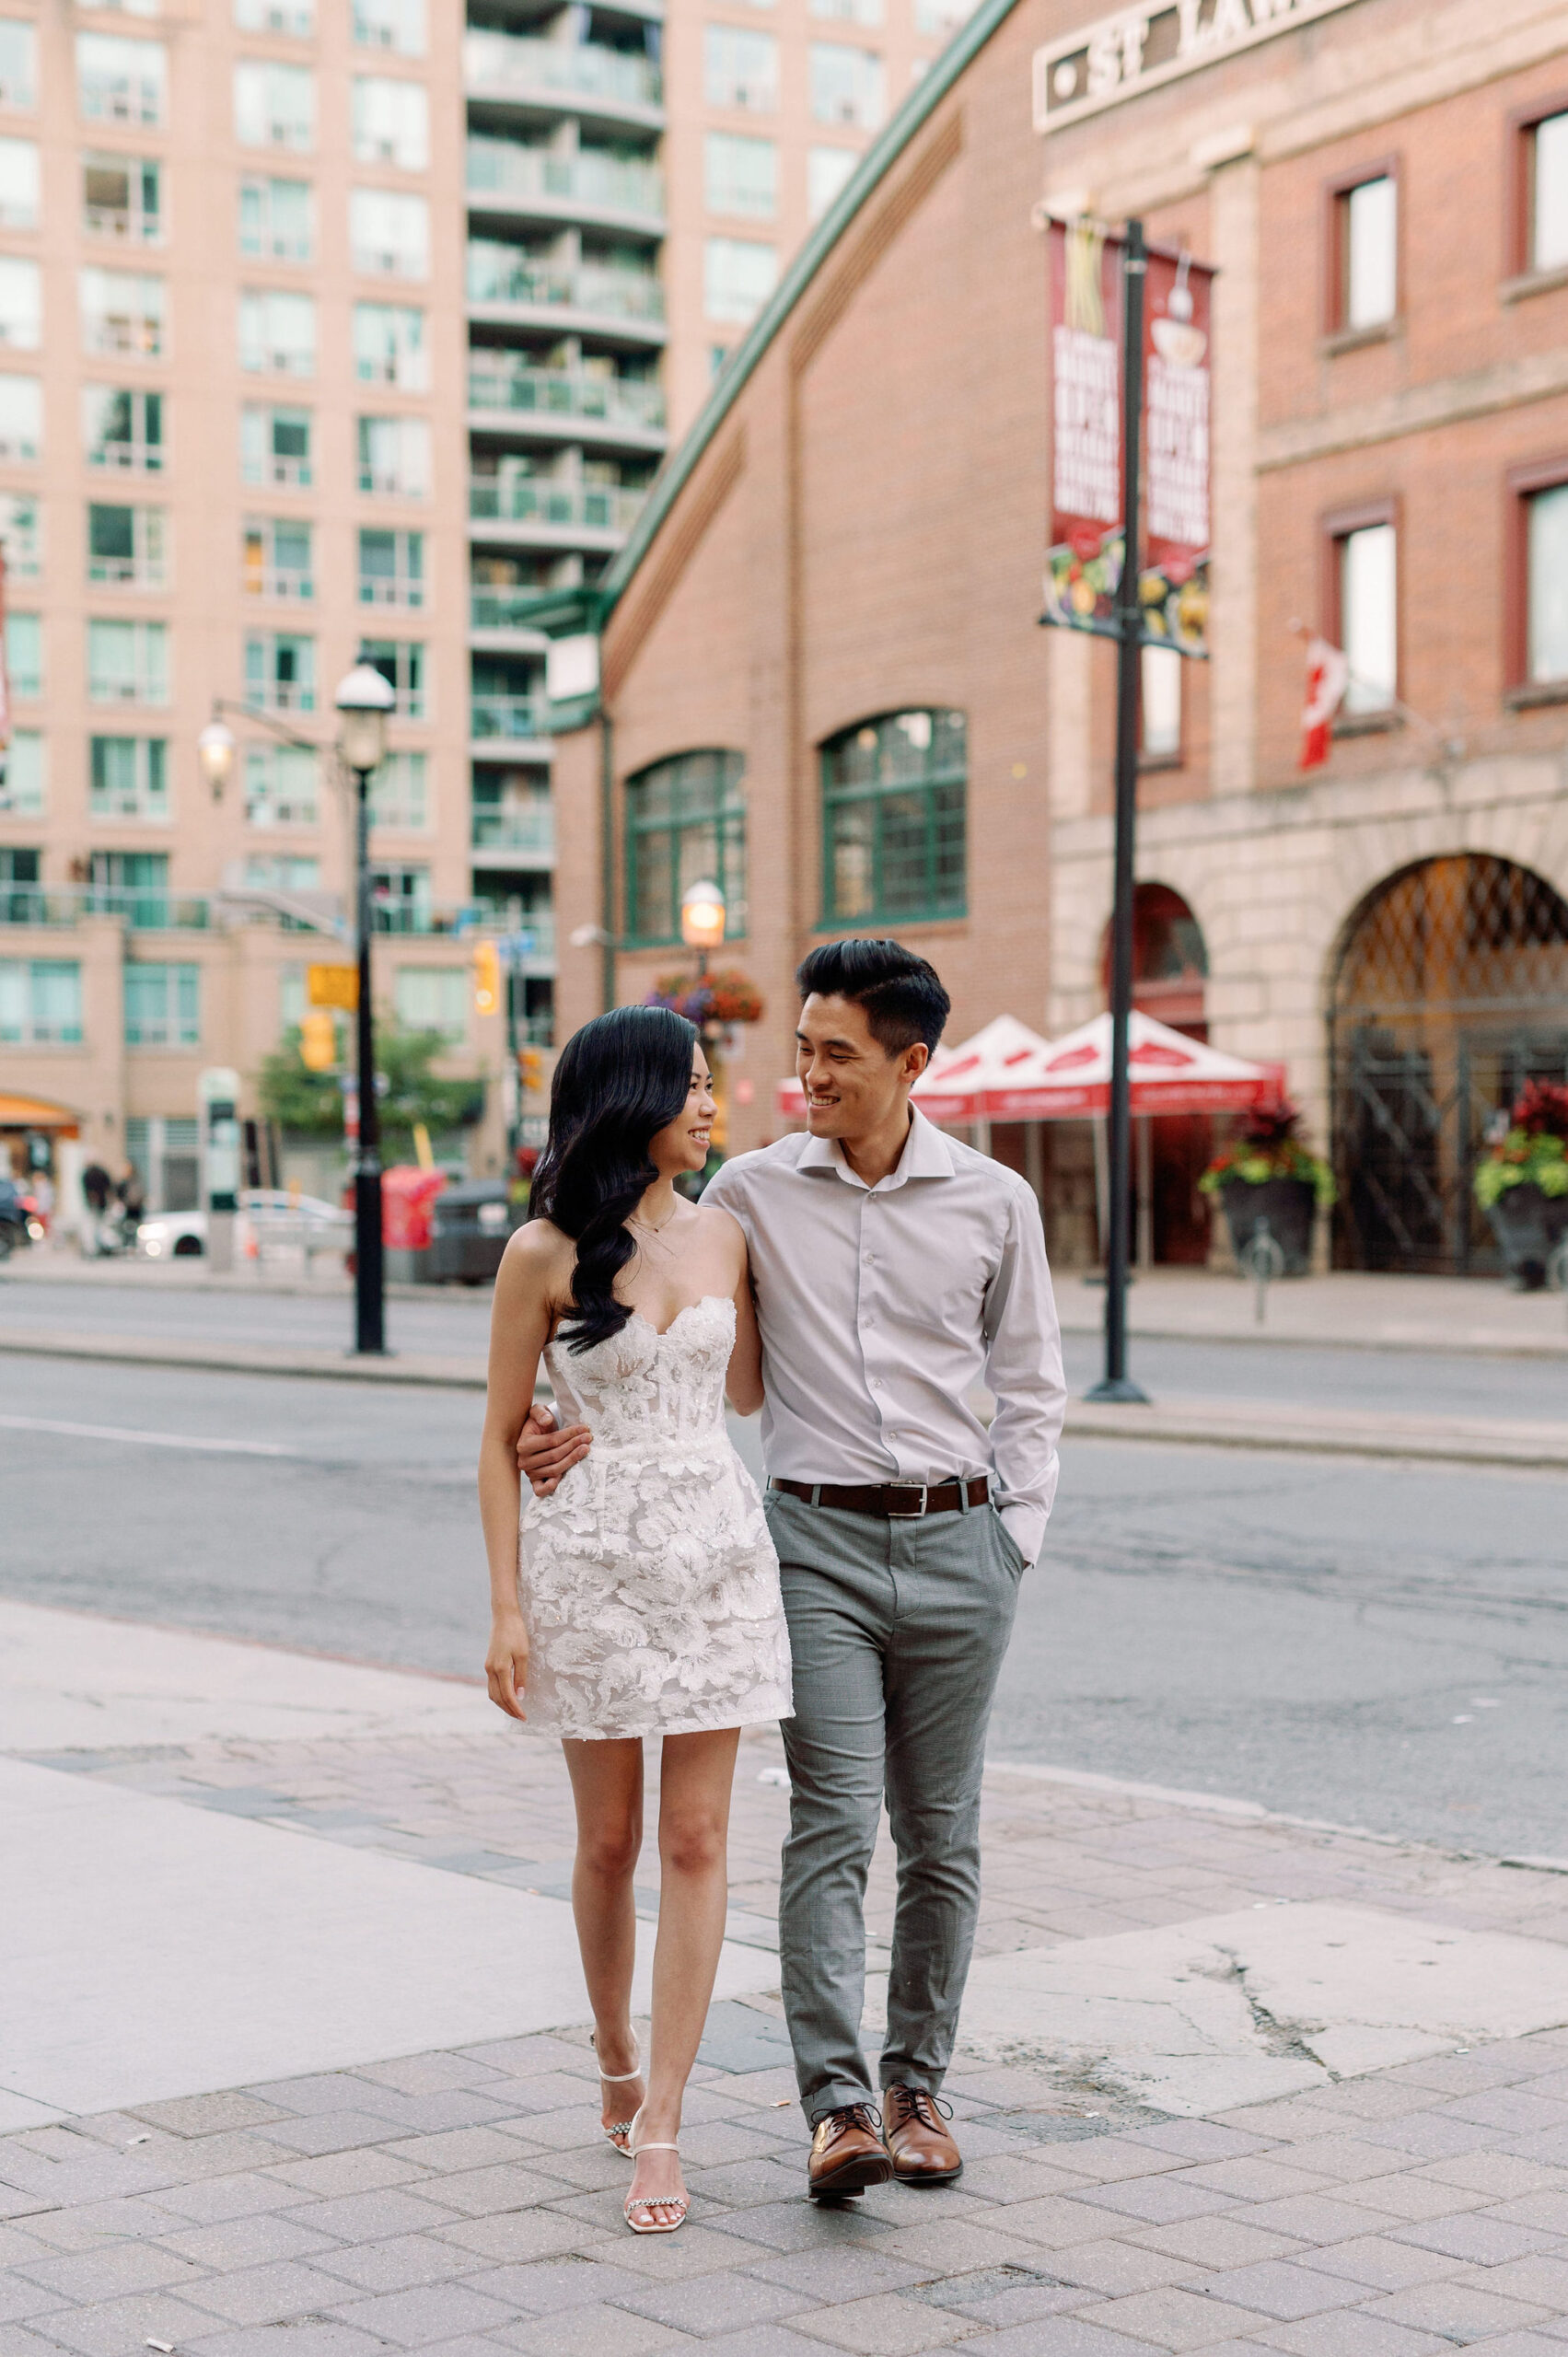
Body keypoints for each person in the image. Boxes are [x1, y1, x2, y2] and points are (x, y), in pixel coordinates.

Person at [520, 940, 1066, 2200]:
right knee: (829, 1821)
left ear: (909, 1064)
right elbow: (640, 1319)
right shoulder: (749, 1195)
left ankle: (916, 2083)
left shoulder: (995, 1202)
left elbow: (1033, 1386)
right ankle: (835, 2111)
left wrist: (1013, 1535)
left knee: (941, 1832)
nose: (805, 1075)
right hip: (808, 1541)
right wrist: (564, 1421)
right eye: (802, 1048)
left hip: (960, 1537)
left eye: (835, 1055)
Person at [478, 1004, 792, 2237]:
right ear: (630, 1099)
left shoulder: (728, 1236)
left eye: (714, 1085)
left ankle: (662, 2117)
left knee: (702, 1841)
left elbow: (749, 1391)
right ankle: (613, 2047)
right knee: (610, 1842)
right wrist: (506, 1609)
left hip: (715, 1556)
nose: (711, 1105)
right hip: (590, 1564)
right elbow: (499, 1443)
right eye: (691, 1086)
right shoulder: (543, 1253)